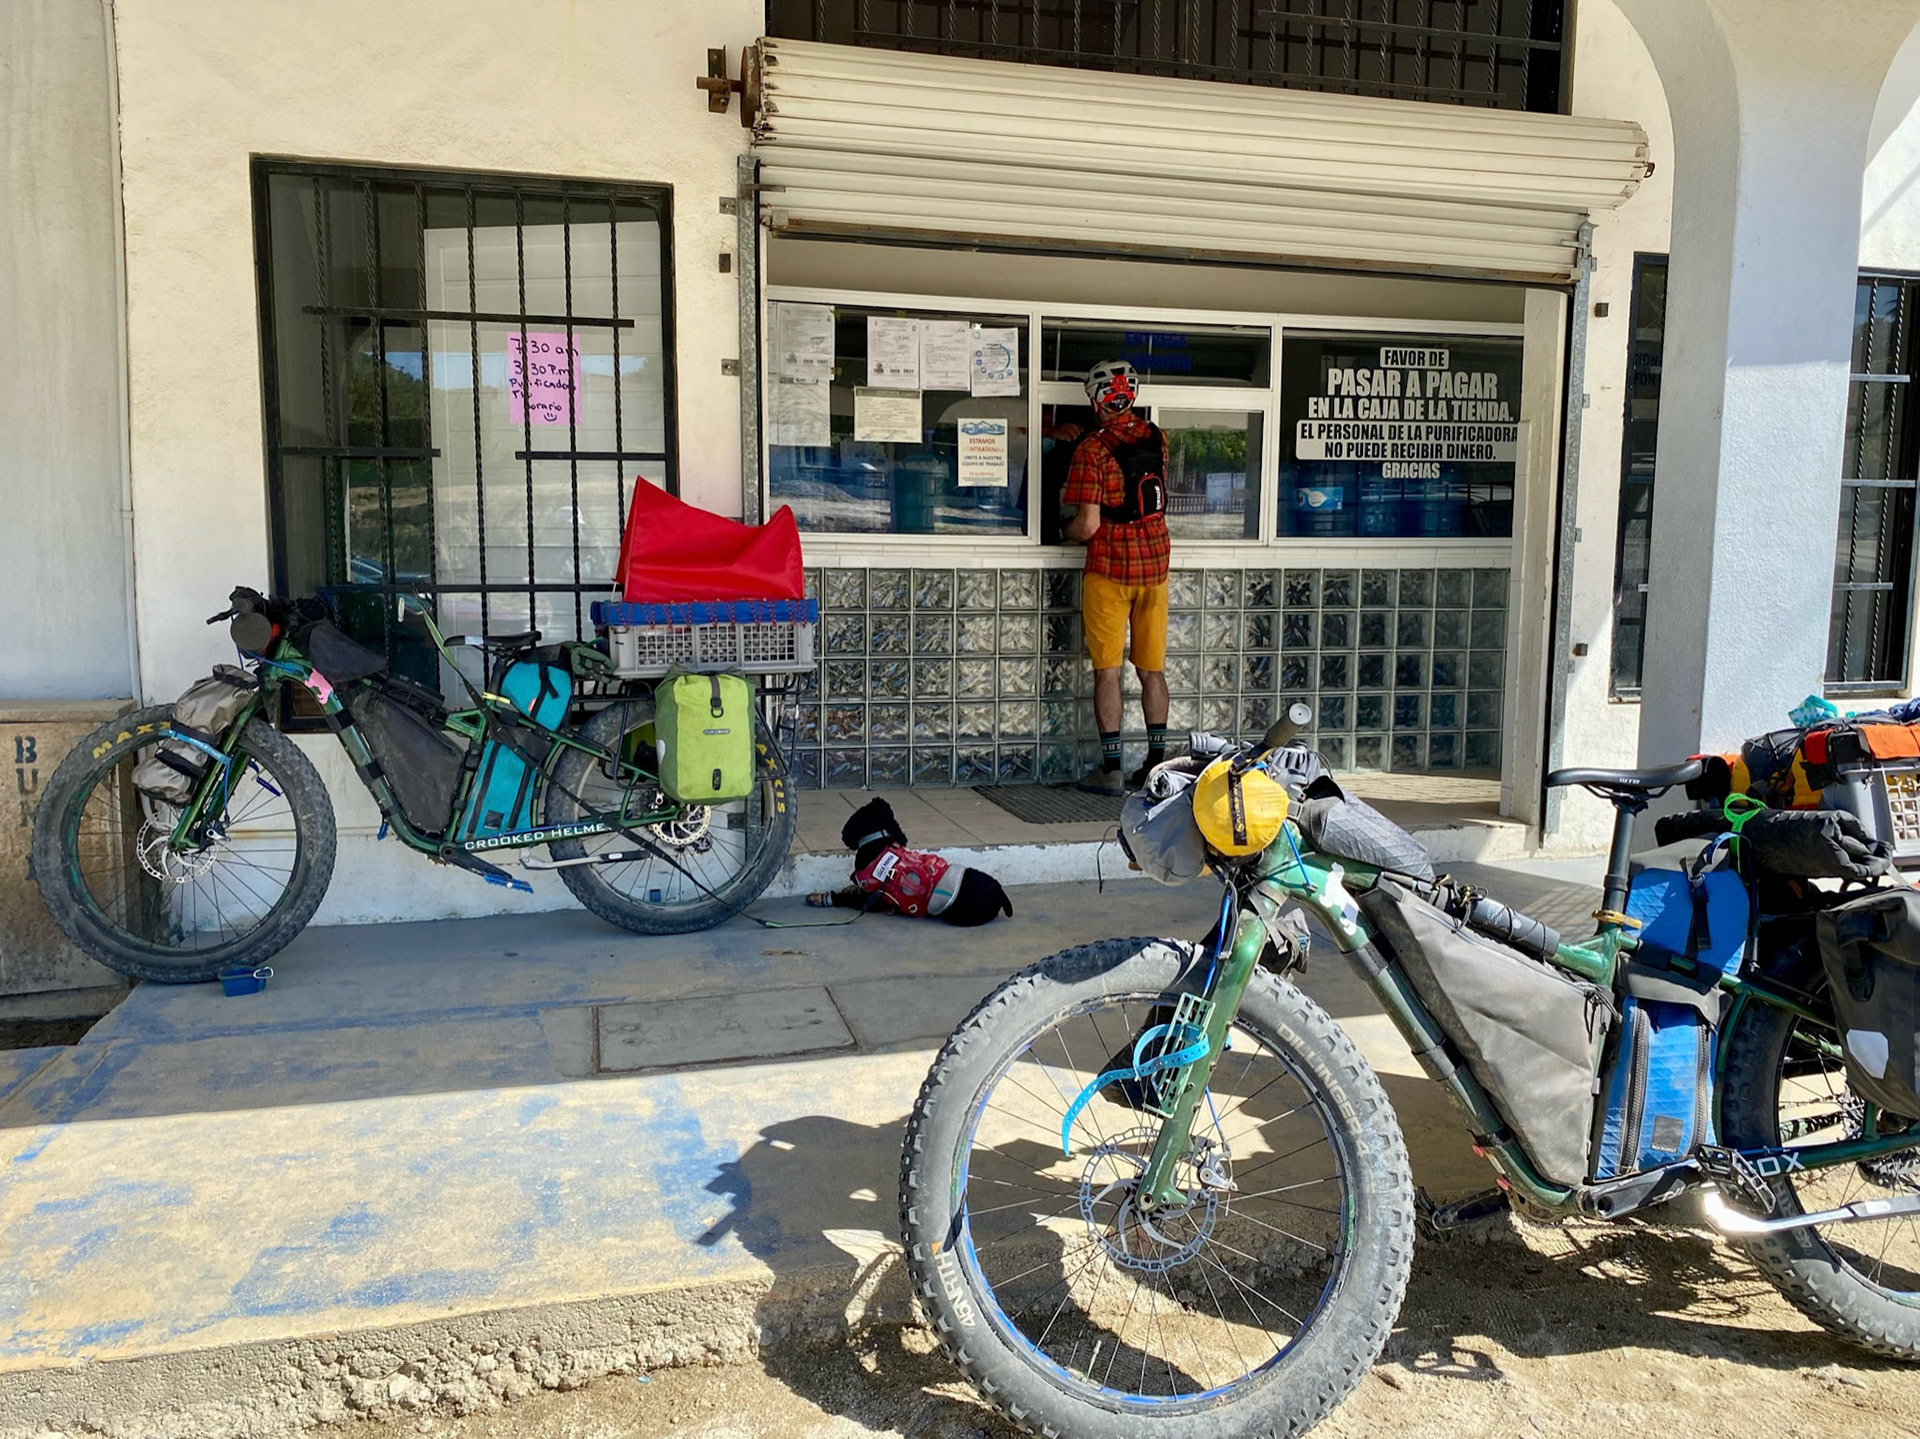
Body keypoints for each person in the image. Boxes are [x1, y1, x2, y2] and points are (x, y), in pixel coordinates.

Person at [1061, 358, 1171, 795]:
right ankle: (1157, 765)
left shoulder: (1092, 449)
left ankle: (1110, 770)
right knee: (1151, 669)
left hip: (1109, 570)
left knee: (1108, 672)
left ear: (1096, 400)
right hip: (1156, 567)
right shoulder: (1157, 438)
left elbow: (1087, 525)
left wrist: (1061, 529)